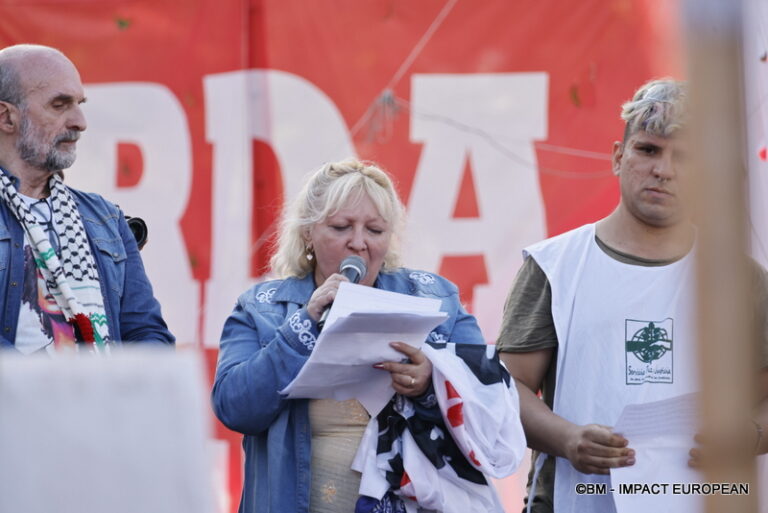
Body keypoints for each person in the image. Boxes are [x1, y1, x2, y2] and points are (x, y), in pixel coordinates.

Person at [496, 78, 768, 513]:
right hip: (575, 499)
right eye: (648, 149)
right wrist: (567, 439)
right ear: (618, 157)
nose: (664, 170)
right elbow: (505, 388)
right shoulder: (554, 266)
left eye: (684, 157)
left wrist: (750, 435)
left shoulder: (738, 278)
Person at [212, 158, 525, 513]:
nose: (358, 243)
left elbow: (489, 405)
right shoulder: (261, 308)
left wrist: (431, 383)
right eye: (341, 227)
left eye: (375, 230)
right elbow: (234, 409)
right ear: (308, 232)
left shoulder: (437, 299)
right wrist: (301, 328)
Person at [0, 44, 173, 352]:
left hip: (101, 384)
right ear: (6, 117)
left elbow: (146, 332)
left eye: (79, 104)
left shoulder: (105, 218)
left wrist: (131, 377)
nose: (80, 122)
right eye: (59, 105)